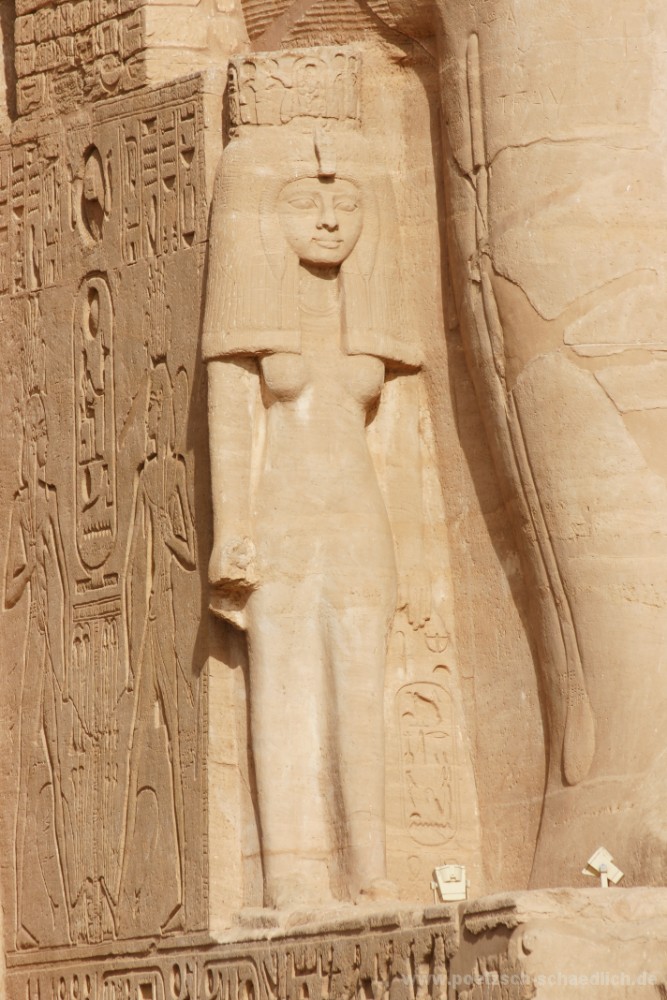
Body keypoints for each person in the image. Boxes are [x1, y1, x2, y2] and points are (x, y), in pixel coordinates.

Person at [203, 117, 430, 908]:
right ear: (266, 216)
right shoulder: (254, 322)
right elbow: (231, 426)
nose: (330, 221)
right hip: (278, 515)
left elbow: (407, 451)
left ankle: (368, 867)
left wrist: (419, 554)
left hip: (359, 518)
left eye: (347, 205)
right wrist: (232, 528)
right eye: (305, 202)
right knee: (282, 683)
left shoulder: (371, 327)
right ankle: (290, 870)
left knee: (362, 685)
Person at [122, 362, 196, 933]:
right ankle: (138, 887)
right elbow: (137, 557)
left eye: (156, 412)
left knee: (172, 733)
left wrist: (168, 535)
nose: (153, 423)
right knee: (144, 738)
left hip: (167, 615)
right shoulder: (150, 475)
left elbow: (184, 549)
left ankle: (178, 885)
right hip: (154, 615)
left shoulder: (168, 474)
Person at [4, 392, 71, 947]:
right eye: (38, 442)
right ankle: (31, 906)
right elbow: (10, 588)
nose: (42, 451)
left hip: (53, 638)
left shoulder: (48, 502)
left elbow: (67, 571)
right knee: (32, 755)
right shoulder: (24, 507)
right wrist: (33, 569)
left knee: (60, 757)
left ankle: (62, 899)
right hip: (31, 642)